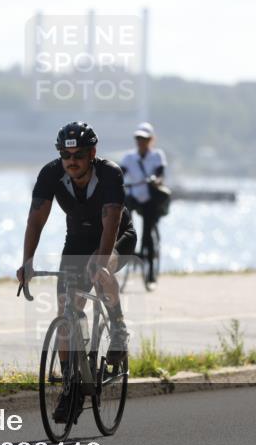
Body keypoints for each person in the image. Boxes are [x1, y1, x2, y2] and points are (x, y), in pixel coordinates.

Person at [17, 122, 137, 422]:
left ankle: (118, 327)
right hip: (78, 239)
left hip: (117, 236)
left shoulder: (110, 175)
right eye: (65, 154)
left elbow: (111, 222)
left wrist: (101, 259)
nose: (71, 161)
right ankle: (71, 387)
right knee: (65, 309)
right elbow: (36, 220)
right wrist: (27, 261)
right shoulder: (51, 174)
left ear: (92, 153)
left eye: (79, 154)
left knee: (102, 269)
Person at [119, 122, 167, 284]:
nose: (141, 141)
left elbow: (160, 174)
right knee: (124, 222)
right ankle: (127, 248)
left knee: (148, 231)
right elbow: (120, 173)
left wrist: (156, 180)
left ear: (151, 140)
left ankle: (151, 269)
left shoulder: (157, 155)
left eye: (144, 138)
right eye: (138, 138)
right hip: (133, 196)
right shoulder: (128, 157)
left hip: (149, 199)